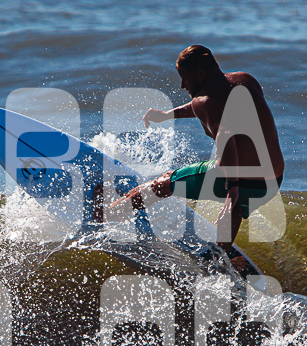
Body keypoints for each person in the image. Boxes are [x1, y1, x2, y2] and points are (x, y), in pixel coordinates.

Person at [92, 45, 284, 271]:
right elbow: (210, 105)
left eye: (184, 78)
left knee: (165, 183)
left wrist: (232, 189)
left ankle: (109, 212)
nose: (182, 85)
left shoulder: (205, 102)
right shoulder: (246, 81)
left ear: (200, 74)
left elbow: (226, 137)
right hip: (271, 182)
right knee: (237, 202)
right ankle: (219, 260)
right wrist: (168, 115)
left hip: (240, 179)